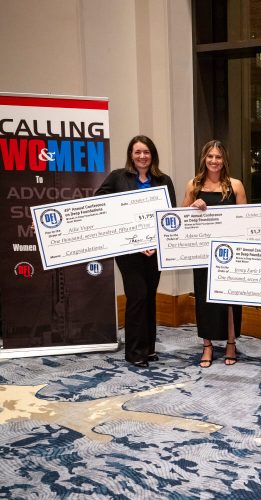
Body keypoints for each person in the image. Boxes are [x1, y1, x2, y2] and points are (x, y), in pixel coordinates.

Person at [95, 135, 177, 368]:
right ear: (131, 155)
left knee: (149, 297)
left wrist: (156, 243)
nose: (142, 156)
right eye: (137, 152)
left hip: (155, 251)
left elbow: (168, 216)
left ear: (153, 155)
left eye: (146, 152)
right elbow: (99, 206)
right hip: (129, 252)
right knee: (137, 297)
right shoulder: (118, 177)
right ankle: (134, 352)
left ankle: (148, 348)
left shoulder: (163, 180)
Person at [182, 140, 248, 367]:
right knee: (204, 299)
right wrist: (192, 209)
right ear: (204, 158)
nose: (214, 161)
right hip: (201, 253)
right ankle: (207, 345)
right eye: (210, 156)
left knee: (229, 300)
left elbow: (245, 221)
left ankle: (231, 343)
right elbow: (181, 219)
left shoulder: (235, 185)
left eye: (218, 157)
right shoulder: (193, 185)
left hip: (229, 254)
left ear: (224, 160)